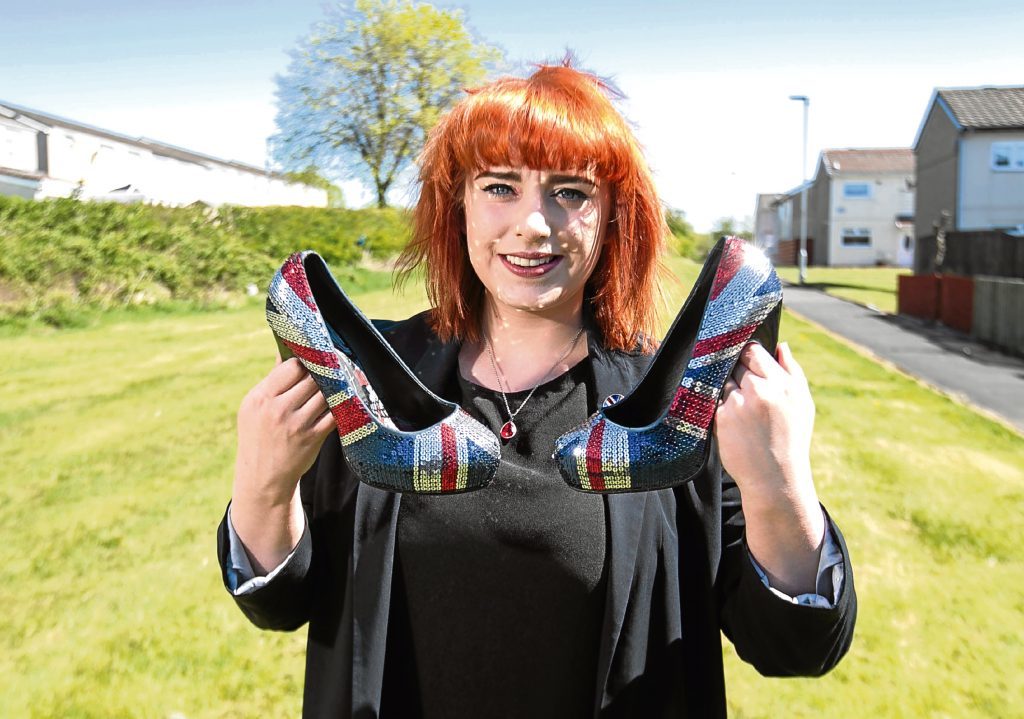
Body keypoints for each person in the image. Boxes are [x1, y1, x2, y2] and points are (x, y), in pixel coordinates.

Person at [218, 60, 856, 718]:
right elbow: (279, 601)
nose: (534, 223)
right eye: (500, 186)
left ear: (611, 216)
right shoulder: (371, 379)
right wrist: (264, 483)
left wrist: (779, 485)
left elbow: (797, 646)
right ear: (456, 203)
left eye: (571, 192)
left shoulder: (684, 401)